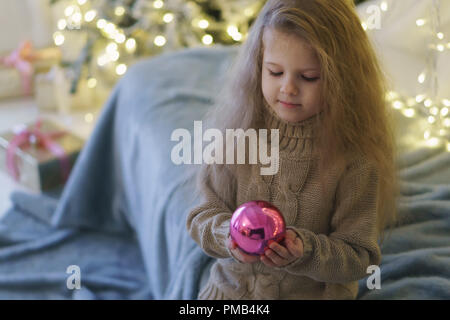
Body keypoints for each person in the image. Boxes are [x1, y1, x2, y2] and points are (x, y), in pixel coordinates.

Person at [186, 0, 399, 300]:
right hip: (230, 293)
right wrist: (229, 236)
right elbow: (201, 216)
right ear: (258, 67)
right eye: (274, 72)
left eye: (308, 77)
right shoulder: (237, 138)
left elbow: (360, 258)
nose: (288, 88)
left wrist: (306, 251)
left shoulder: (355, 162)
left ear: (343, 80)